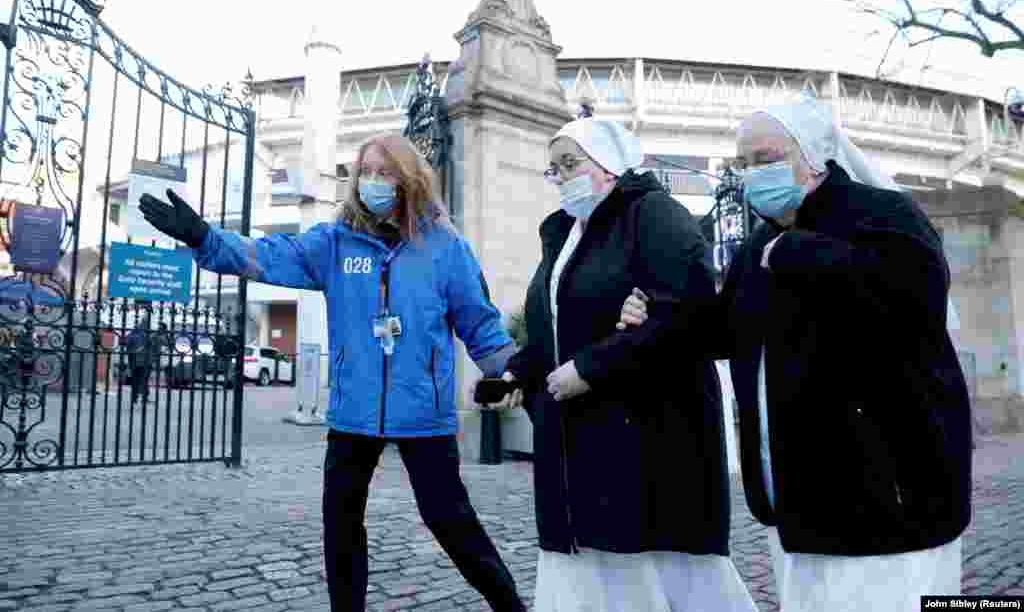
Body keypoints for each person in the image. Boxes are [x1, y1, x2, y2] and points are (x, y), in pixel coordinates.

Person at [139, 134, 527, 612]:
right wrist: (204, 237)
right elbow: (268, 256)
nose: (373, 181)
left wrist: (512, 370)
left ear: (408, 180)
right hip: (352, 412)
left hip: (423, 412)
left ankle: (510, 605)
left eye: (385, 172)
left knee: (450, 520)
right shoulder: (335, 242)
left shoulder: (445, 247)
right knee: (341, 525)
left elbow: (479, 322)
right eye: (366, 171)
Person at [618, 96, 972, 610]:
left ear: (813, 158)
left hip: (887, 495)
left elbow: (915, 298)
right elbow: (722, 330)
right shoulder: (760, 240)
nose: (751, 174)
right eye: (743, 164)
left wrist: (801, 254)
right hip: (801, 498)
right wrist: (657, 316)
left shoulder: (884, 212)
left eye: (765, 158)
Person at [496, 117, 757, 611]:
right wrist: (521, 369)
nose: (562, 176)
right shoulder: (564, 234)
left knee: (646, 569)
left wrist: (591, 368)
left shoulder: (654, 214)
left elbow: (683, 310)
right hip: (575, 442)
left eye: (571, 163)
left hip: (645, 438)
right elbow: (553, 326)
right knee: (586, 569)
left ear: (610, 162)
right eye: (553, 169)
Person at [126, 317, 153, 405]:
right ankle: (143, 398)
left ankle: (135, 397)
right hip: (145, 361)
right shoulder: (148, 334)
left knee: (136, 380)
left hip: (136, 361)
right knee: (144, 380)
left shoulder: (133, 333)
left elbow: (127, 345)